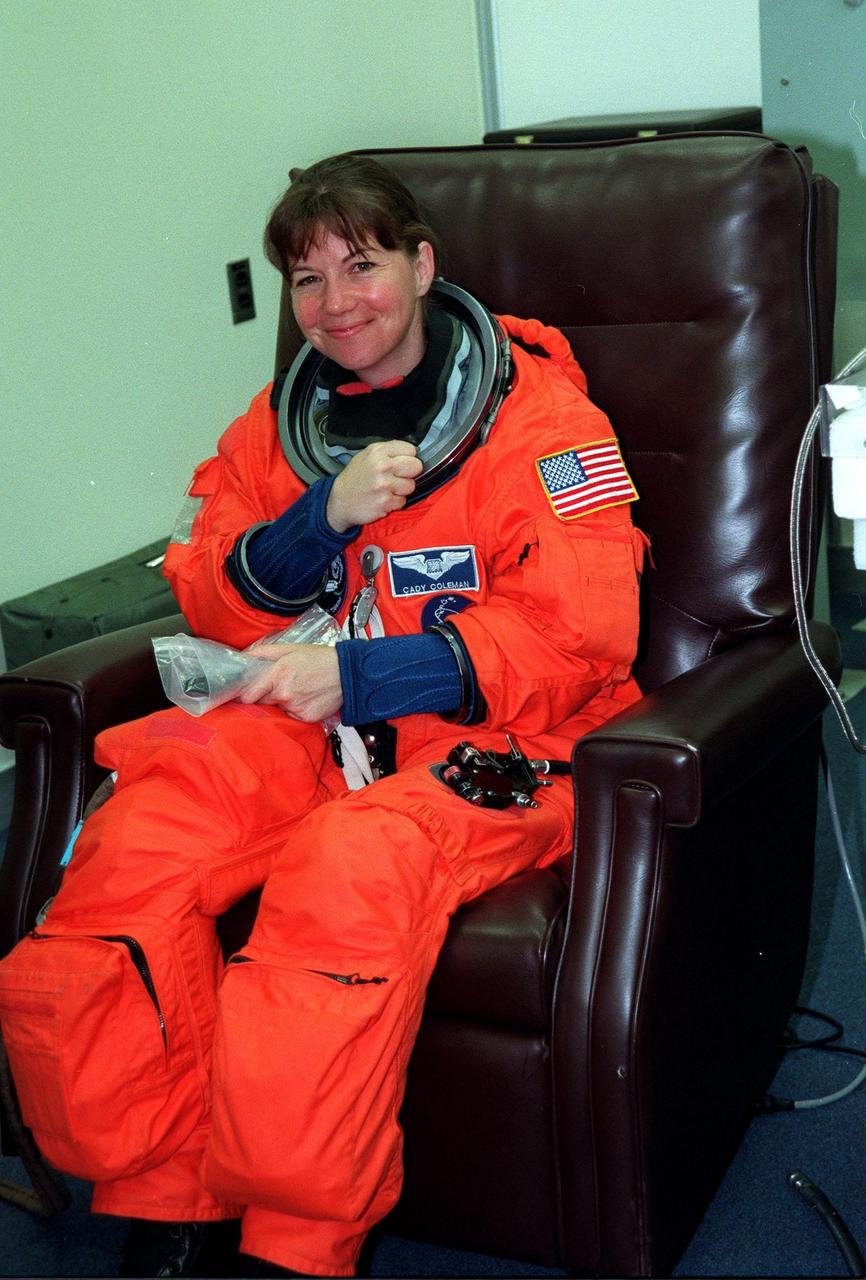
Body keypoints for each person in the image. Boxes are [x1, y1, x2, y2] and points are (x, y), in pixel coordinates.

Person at [0, 153, 647, 1278]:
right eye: (307, 279)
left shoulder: (547, 423)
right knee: (141, 834)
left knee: (347, 869)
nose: (336, 303)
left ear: (422, 265)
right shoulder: (278, 423)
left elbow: (580, 638)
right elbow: (207, 588)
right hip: (311, 724)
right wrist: (317, 520)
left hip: (499, 742)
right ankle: (172, 1199)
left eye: (363, 266)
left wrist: (363, 677)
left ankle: (292, 1246)